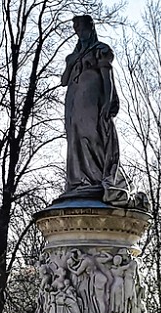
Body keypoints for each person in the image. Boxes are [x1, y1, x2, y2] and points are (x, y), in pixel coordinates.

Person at [60, 15, 131, 207]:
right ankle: (79, 180)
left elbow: (108, 77)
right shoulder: (73, 56)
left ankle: (96, 177)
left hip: (93, 99)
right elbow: (64, 80)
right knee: (75, 137)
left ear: (91, 28)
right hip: (73, 101)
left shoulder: (100, 50)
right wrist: (71, 62)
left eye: (82, 28)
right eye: (76, 30)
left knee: (92, 134)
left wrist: (108, 100)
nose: (79, 32)